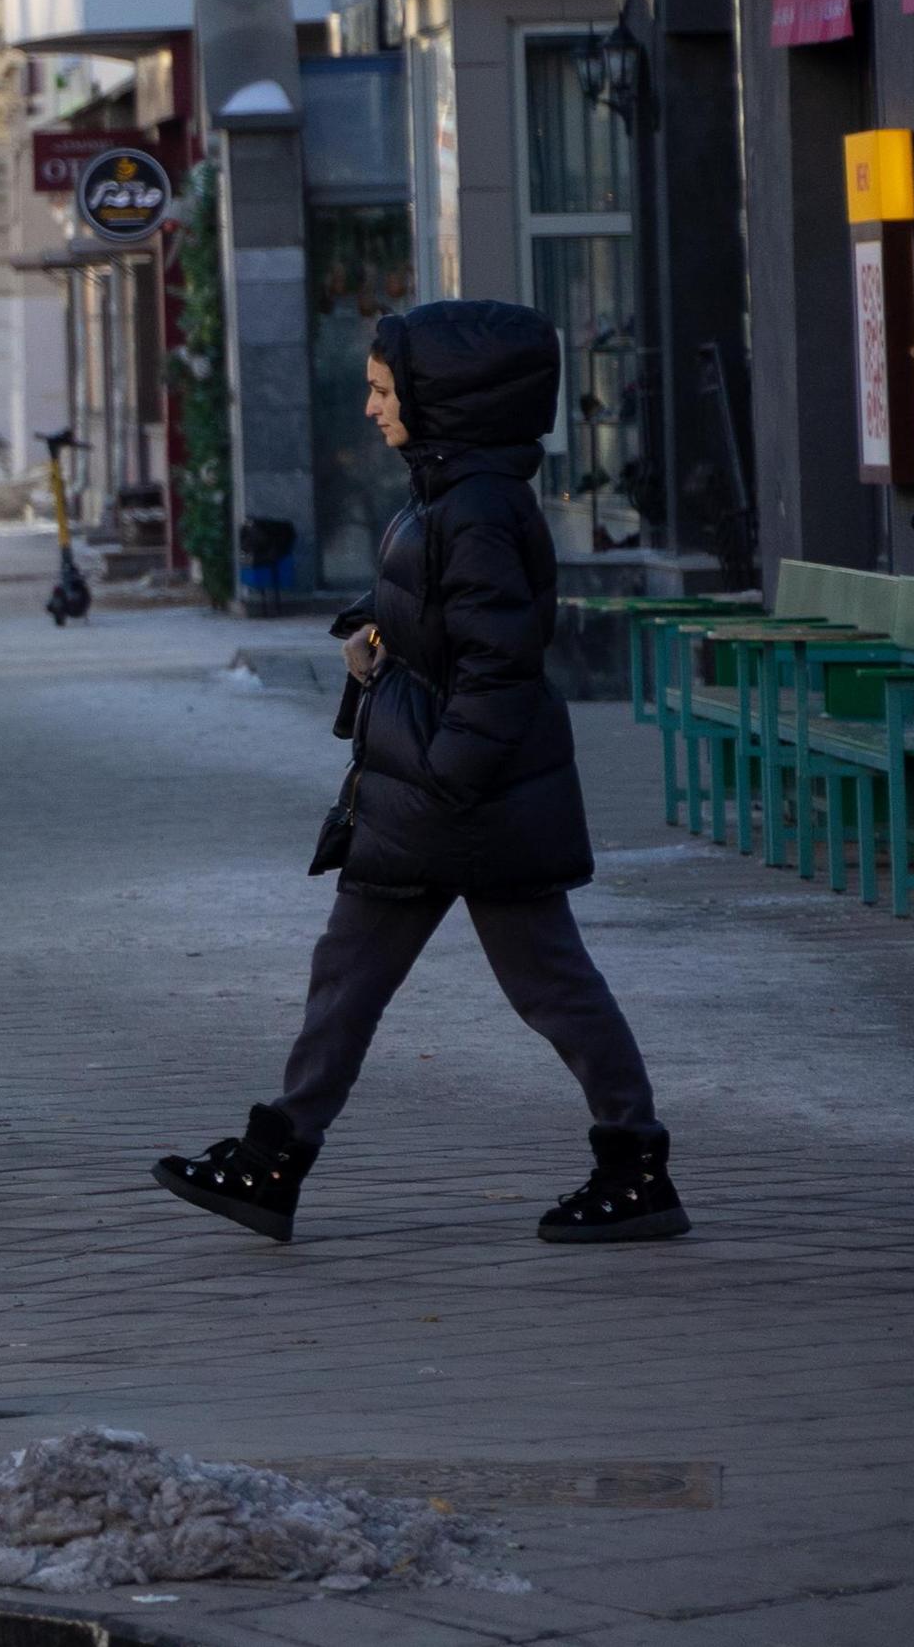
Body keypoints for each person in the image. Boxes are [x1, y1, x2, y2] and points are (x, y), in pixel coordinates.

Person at [153, 299, 684, 1248]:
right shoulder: (448, 488)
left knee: (546, 984)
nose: (371, 407)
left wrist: (444, 781)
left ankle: (635, 1165)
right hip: (431, 793)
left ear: (443, 398)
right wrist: (375, 634)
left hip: (460, 799)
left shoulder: (475, 504)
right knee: (353, 973)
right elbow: (437, 615)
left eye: (384, 389)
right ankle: (275, 1159)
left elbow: (499, 664)